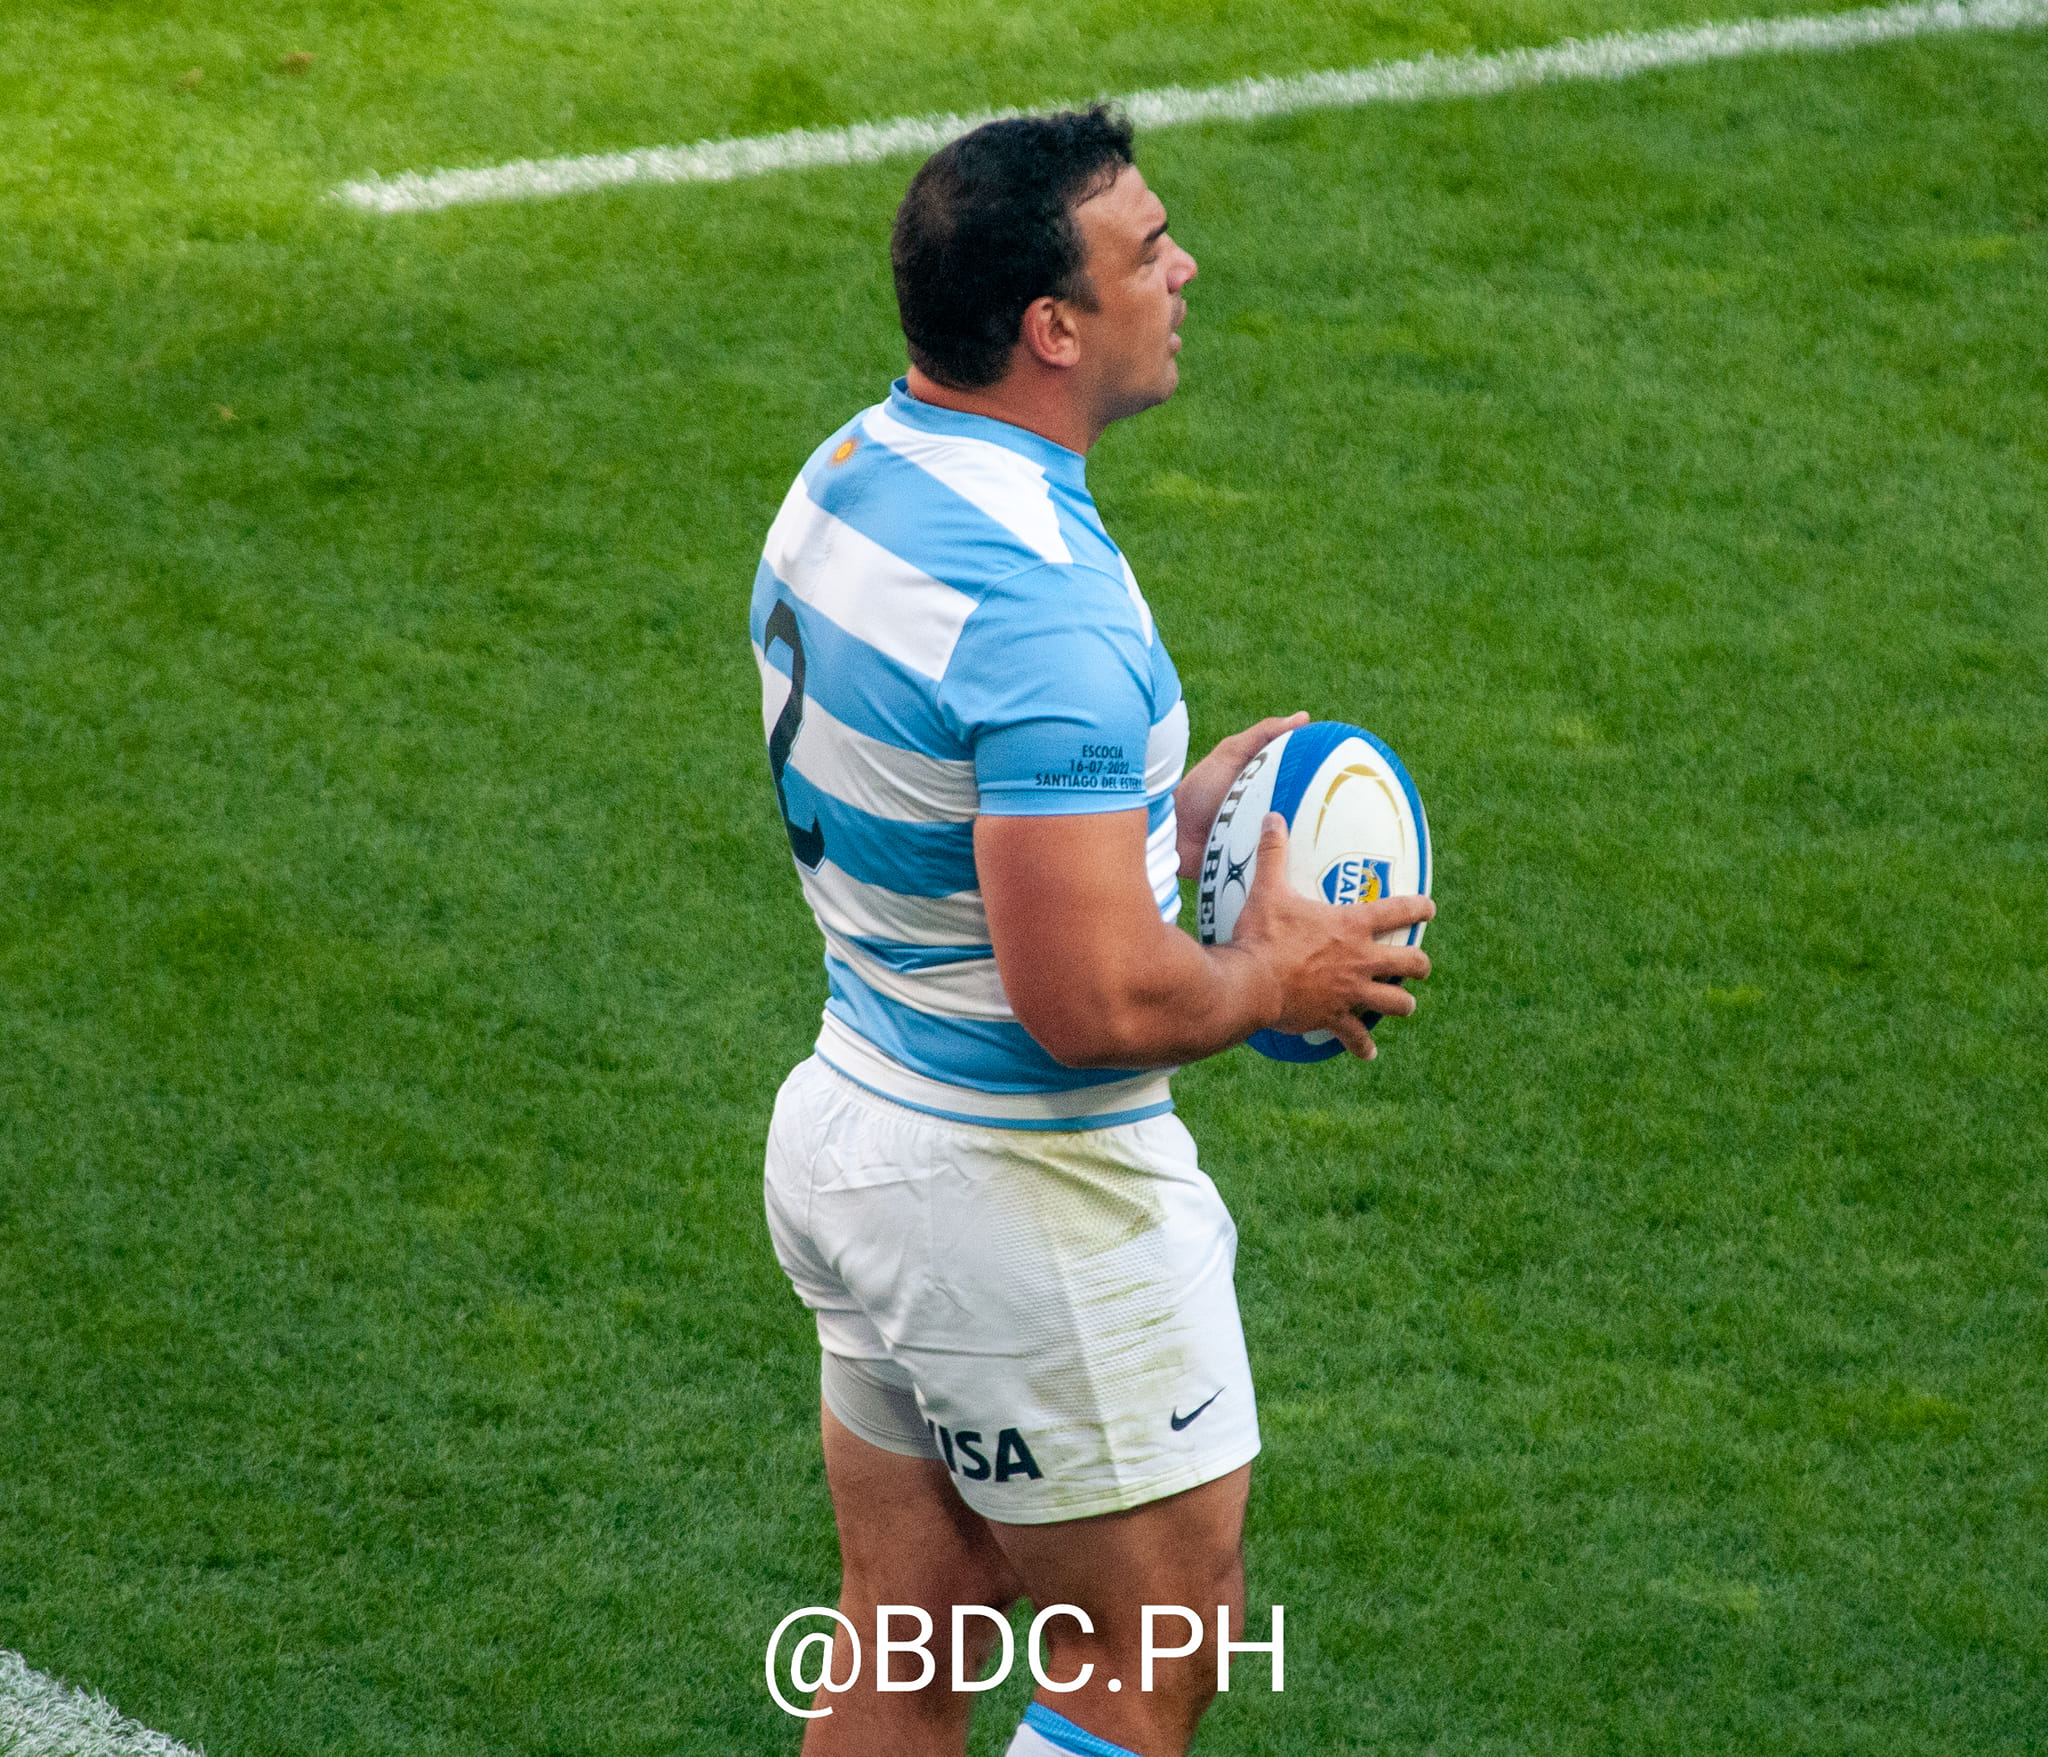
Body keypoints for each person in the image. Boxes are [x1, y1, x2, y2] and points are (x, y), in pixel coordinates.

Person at [750, 105, 1434, 1757]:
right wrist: (1283, 968)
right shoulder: (1042, 598)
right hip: (1017, 1193)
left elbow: (947, 796)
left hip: (858, 1116)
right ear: (1052, 327)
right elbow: (1086, 999)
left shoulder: (857, 470)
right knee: (1151, 1654)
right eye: (1145, 253)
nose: (1181, 269)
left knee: (906, 1639)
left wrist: (1154, 815)